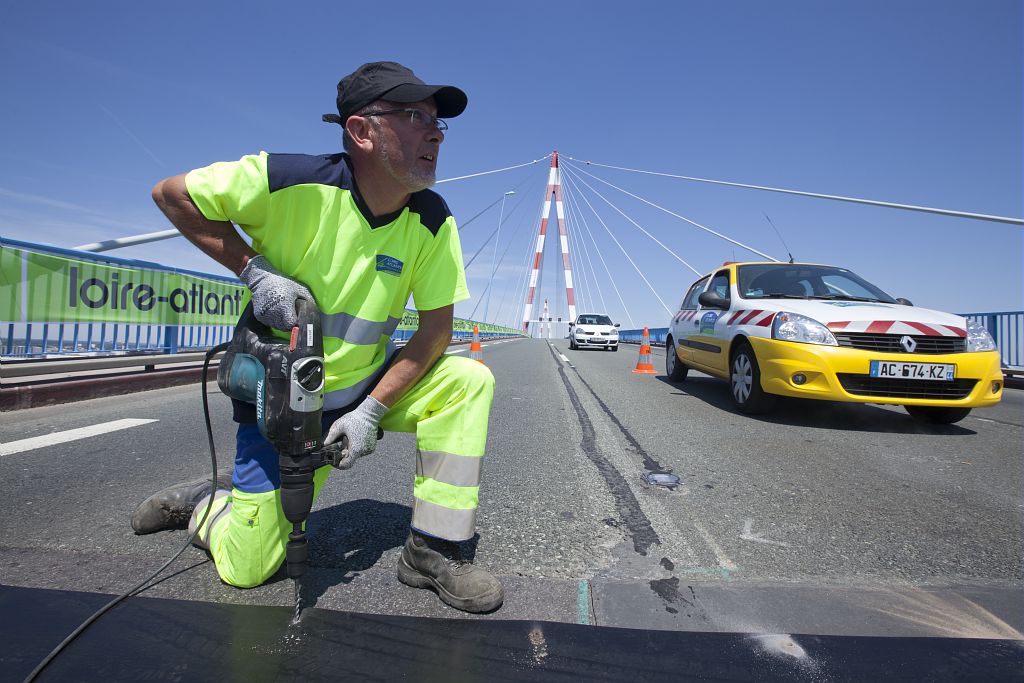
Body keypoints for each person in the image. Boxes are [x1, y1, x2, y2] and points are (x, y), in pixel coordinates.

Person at [132, 61, 502, 613]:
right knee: (248, 570)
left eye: (437, 122)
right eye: (414, 116)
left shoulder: (432, 220)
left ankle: (433, 550)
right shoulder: (284, 180)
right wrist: (253, 270)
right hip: (281, 401)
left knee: (468, 381)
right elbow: (172, 195)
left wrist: (372, 411)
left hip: (362, 390)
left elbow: (435, 332)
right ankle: (209, 506)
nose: (434, 133)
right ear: (361, 131)